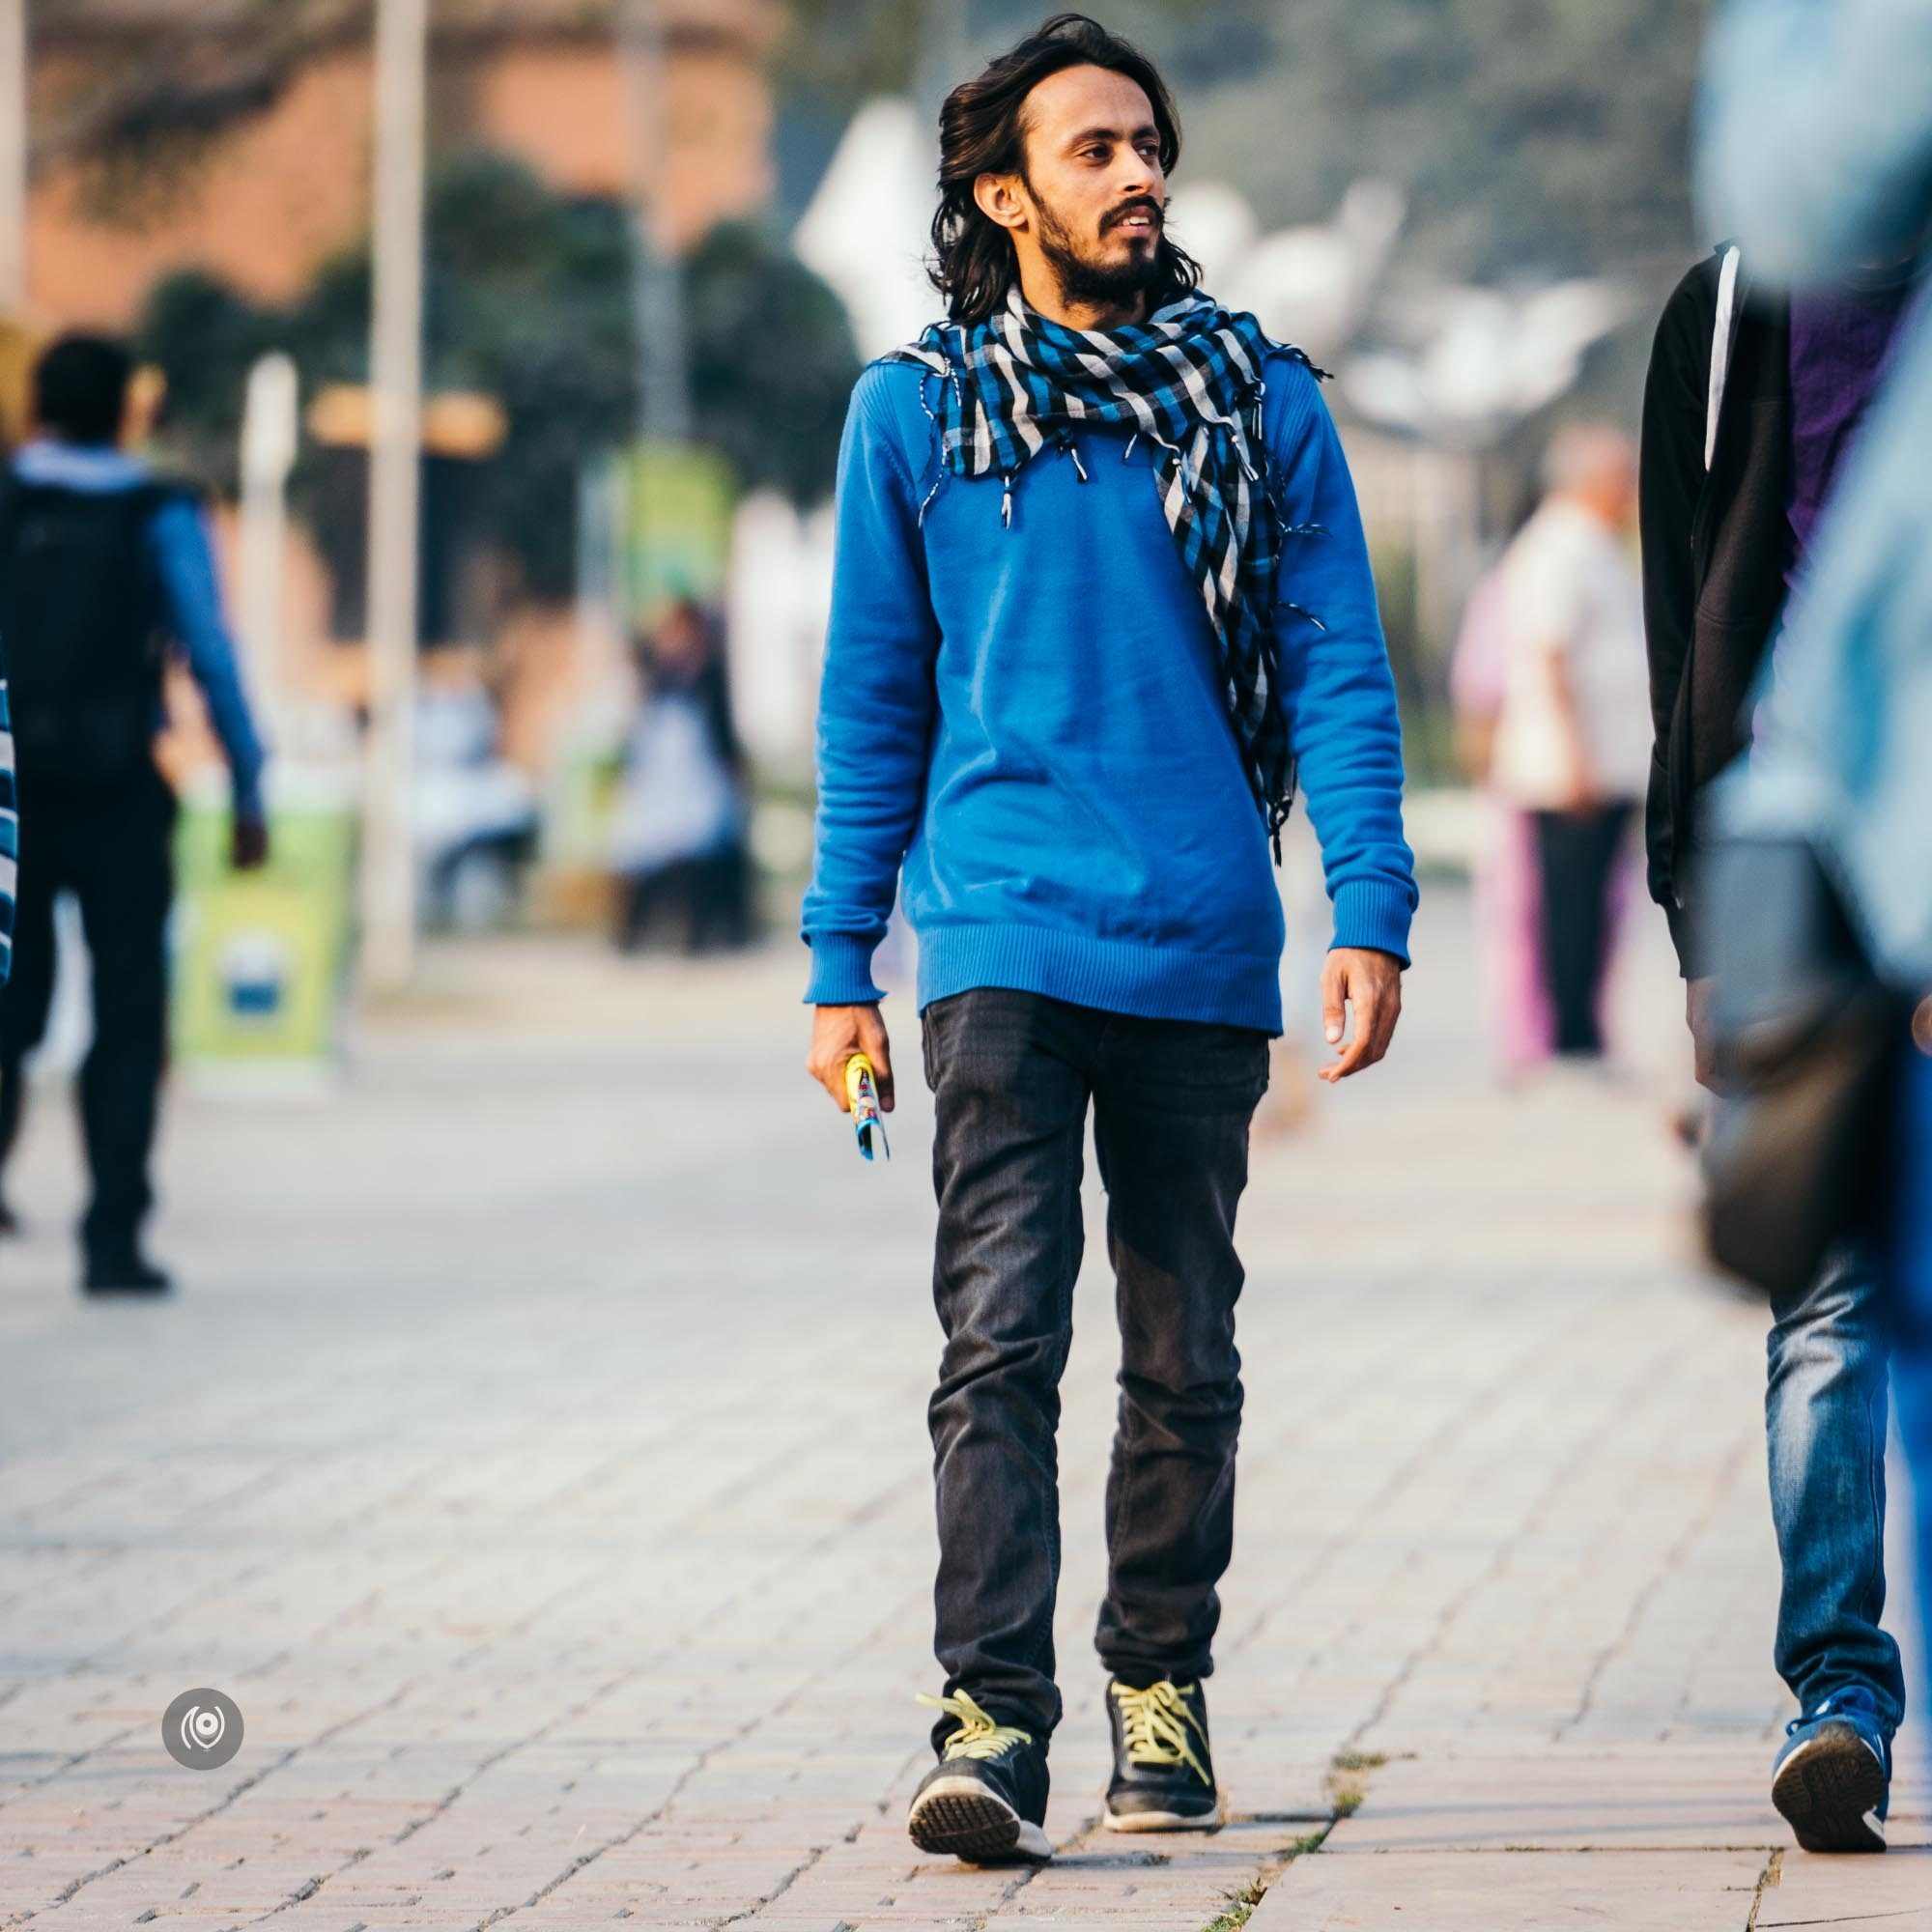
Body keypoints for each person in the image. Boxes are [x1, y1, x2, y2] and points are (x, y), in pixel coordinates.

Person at [801, 13, 1415, 1866]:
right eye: (1095, 150)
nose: (1139, 173)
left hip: (1202, 941)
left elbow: (1338, 669)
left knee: (1183, 1352)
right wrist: (843, 959)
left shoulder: (1261, 401)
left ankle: (1165, 1679)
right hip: (993, 940)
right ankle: (990, 1717)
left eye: (1149, 143)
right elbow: (871, 702)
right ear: (1004, 195)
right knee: (996, 1341)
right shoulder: (911, 415)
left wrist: (1367, 910)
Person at [1641, 223, 1919, 1851]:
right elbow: (1689, 622)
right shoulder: (1735, 303)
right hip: (1799, 869)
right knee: (1825, 1294)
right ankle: (1839, 1695)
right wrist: (1700, 922)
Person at [0, 332, 268, 1293]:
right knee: (127, 1014)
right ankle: (112, 1237)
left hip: (11, 790)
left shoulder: (7, 494)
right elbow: (209, 645)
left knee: (5, 998)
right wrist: (248, 781)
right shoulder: (160, 509)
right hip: (119, 785)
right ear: (127, 411)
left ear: (35, 408)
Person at [1487, 427, 1650, 1063]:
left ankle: (1587, 1028)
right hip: (1569, 769)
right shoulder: (1557, 546)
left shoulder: (1597, 544)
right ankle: (1569, 1037)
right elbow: (1548, 655)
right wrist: (1574, 755)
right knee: (1569, 909)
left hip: (1604, 763)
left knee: (1596, 906)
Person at [608, 598, 752, 954]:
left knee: (698, 859)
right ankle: (633, 934)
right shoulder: (654, 676)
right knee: (640, 858)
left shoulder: (709, 675)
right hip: (659, 780)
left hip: (698, 779)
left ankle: (700, 932)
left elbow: (723, 733)